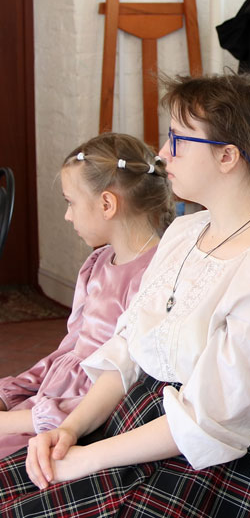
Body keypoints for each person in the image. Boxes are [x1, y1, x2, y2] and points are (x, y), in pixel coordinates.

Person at [0, 74, 250, 517]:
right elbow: (127, 352)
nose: (162, 153)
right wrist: (70, 430)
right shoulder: (185, 231)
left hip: (204, 461)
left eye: (178, 140)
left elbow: (210, 419)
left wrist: (87, 459)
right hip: (133, 423)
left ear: (227, 156)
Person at [0, 133, 174, 459]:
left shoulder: (154, 278)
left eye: (70, 202)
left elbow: (123, 385)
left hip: (85, 417)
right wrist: (9, 394)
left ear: (107, 204)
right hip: (49, 400)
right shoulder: (96, 263)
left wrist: (12, 421)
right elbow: (69, 350)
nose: (68, 215)